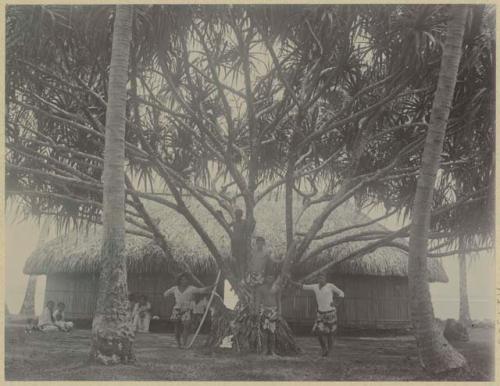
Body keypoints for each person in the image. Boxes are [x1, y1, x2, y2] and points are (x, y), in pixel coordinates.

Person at [293, 273, 344, 357]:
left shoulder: (330, 286)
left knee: (330, 333)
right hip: (320, 314)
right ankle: (324, 348)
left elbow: (341, 293)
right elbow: (303, 286)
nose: (320, 280)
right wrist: (290, 281)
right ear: (317, 279)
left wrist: (336, 303)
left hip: (331, 313)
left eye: (322, 278)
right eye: (319, 278)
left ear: (325, 279)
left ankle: (328, 351)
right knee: (318, 331)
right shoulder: (315, 286)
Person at [163, 272, 213, 348]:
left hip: (187, 309)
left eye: (186, 280)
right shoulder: (175, 288)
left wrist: (211, 286)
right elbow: (165, 294)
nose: (184, 281)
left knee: (186, 326)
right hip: (177, 309)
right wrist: (171, 301)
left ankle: (184, 343)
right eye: (182, 280)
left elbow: (201, 290)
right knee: (177, 327)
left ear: (188, 281)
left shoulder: (191, 288)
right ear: (179, 280)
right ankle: (178, 343)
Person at [255, 274, 281, 356]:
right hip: (264, 311)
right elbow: (258, 301)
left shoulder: (277, 288)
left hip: (273, 311)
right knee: (264, 331)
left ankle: (272, 351)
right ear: (265, 278)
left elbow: (279, 300)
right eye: (268, 277)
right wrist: (257, 311)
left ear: (274, 279)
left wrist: (280, 312)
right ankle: (264, 350)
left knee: (272, 331)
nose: (270, 279)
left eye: (271, 277)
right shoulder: (261, 288)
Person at [231, 209, 250, 279]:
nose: (237, 217)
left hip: (242, 244)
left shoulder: (244, 222)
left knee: (241, 261)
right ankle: (238, 277)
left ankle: (242, 277)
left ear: (241, 215)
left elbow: (249, 229)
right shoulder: (234, 223)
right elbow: (227, 225)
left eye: (239, 216)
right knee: (236, 260)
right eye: (236, 216)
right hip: (234, 244)